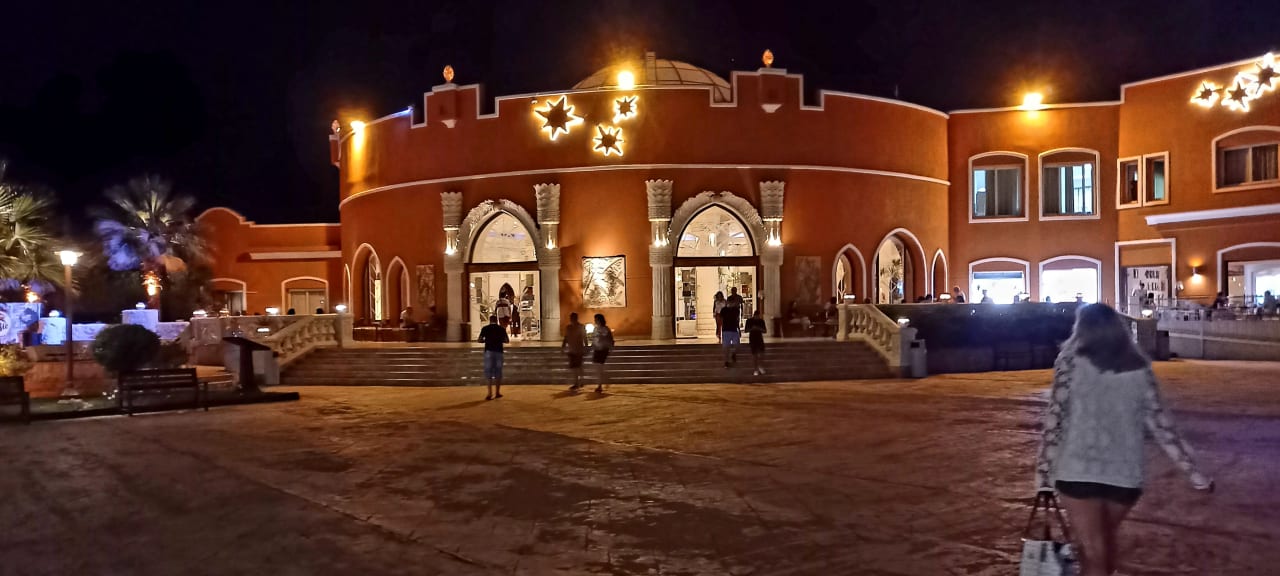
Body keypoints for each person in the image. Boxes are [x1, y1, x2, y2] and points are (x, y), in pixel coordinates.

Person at [1035, 303, 1212, 576]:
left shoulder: (1069, 363)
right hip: (1125, 476)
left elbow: (1054, 420)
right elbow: (1162, 425)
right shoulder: (1139, 368)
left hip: (1078, 471)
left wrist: (1043, 475)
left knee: (1094, 552)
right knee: (1100, 547)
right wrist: (1194, 473)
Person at [477, 315, 509, 400]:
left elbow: (479, 339)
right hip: (499, 351)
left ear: (490, 320)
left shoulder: (485, 328)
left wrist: (486, 340)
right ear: (497, 320)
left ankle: (489, 393)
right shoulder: (501, 329)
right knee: (498, 372)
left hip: (489, 351)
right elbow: (506, 340)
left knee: (489, 372)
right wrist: (499, 340)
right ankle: (497, 392)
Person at [563, 312, 587, 390]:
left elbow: (584, 337)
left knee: (578, 366)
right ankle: (577, 382)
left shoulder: (580, 327)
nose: (571, 319)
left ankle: (581, 380)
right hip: (572, 349)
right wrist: (563, 346)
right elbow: (566, 337)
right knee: (574, 367)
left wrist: (586, 347)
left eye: (572, 318)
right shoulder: (568, 327)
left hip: (578, 349)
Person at [591, 314, 614, 393]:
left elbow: (610, 339)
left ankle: (599, 386)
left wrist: (611, 348)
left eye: (596, 319)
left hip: (603, 350)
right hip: (597, 349)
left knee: (599, 367)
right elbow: (594, 338)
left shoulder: (605, 329)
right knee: (597, 367)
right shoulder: (595, 329)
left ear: (600, 320)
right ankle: (603, 380)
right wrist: (592, 345)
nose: (595, 321)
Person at [720, 296, 742, 368]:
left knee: (737, 345)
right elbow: (721, 319)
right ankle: (726, 362)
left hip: (734, 329)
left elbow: (737, 320)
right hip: (726, 330)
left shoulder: (736, 310)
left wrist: (739, 328)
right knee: (726, 347)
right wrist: (722, 329)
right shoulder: (724, 310)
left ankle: (733, 354)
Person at [745, 309, 767, 376]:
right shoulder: (749, 321)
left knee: (761, 353)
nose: (757, 318)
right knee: (754, 355)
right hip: (752, 338)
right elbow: (746, 330)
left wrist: (758, 328)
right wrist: (752, 328)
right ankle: (755, 369)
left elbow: (765, 331)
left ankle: (760, 366)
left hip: (759, 338)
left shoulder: (761, 321)